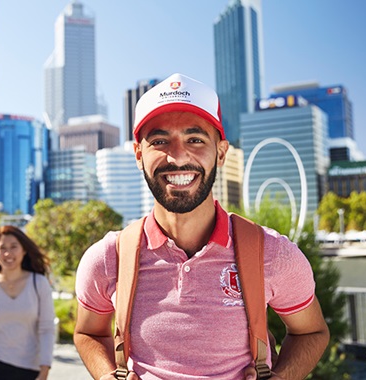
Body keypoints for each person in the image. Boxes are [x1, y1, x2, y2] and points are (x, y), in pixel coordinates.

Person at [73, 73, 330, 380]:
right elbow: (88, 333)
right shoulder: (108, 258)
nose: (178, 155)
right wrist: (105, 376)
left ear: (221, 153)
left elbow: (311, 332)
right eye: (159, 141)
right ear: (139, 155)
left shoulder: (272, 253)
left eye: (195, 139)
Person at [0, 225, 56, 380]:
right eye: (2, 248)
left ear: (24, 250)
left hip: (31, 370)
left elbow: (46, 329)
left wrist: (44, 371)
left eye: (13, 247)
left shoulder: (39, 283)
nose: (7, 253)